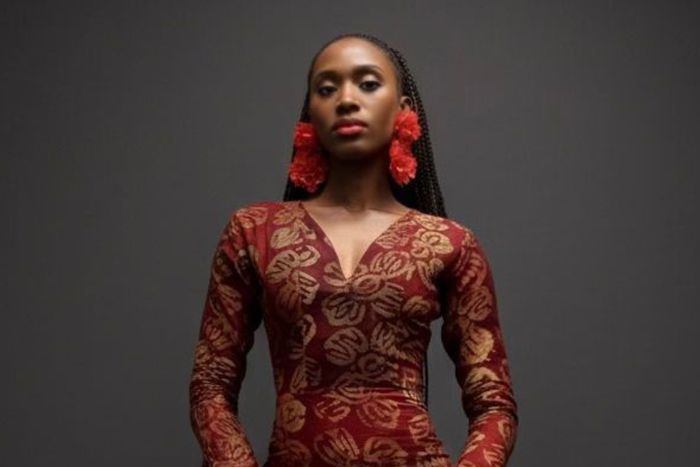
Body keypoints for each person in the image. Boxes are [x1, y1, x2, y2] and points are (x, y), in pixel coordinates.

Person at [188, 32, 519, 467]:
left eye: (367, 83)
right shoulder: (254, 231)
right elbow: (210, 384)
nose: (346, 100)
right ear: (310, 115)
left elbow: (494, 404)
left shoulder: (448, 243)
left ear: (403, 109)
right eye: (327, 89)